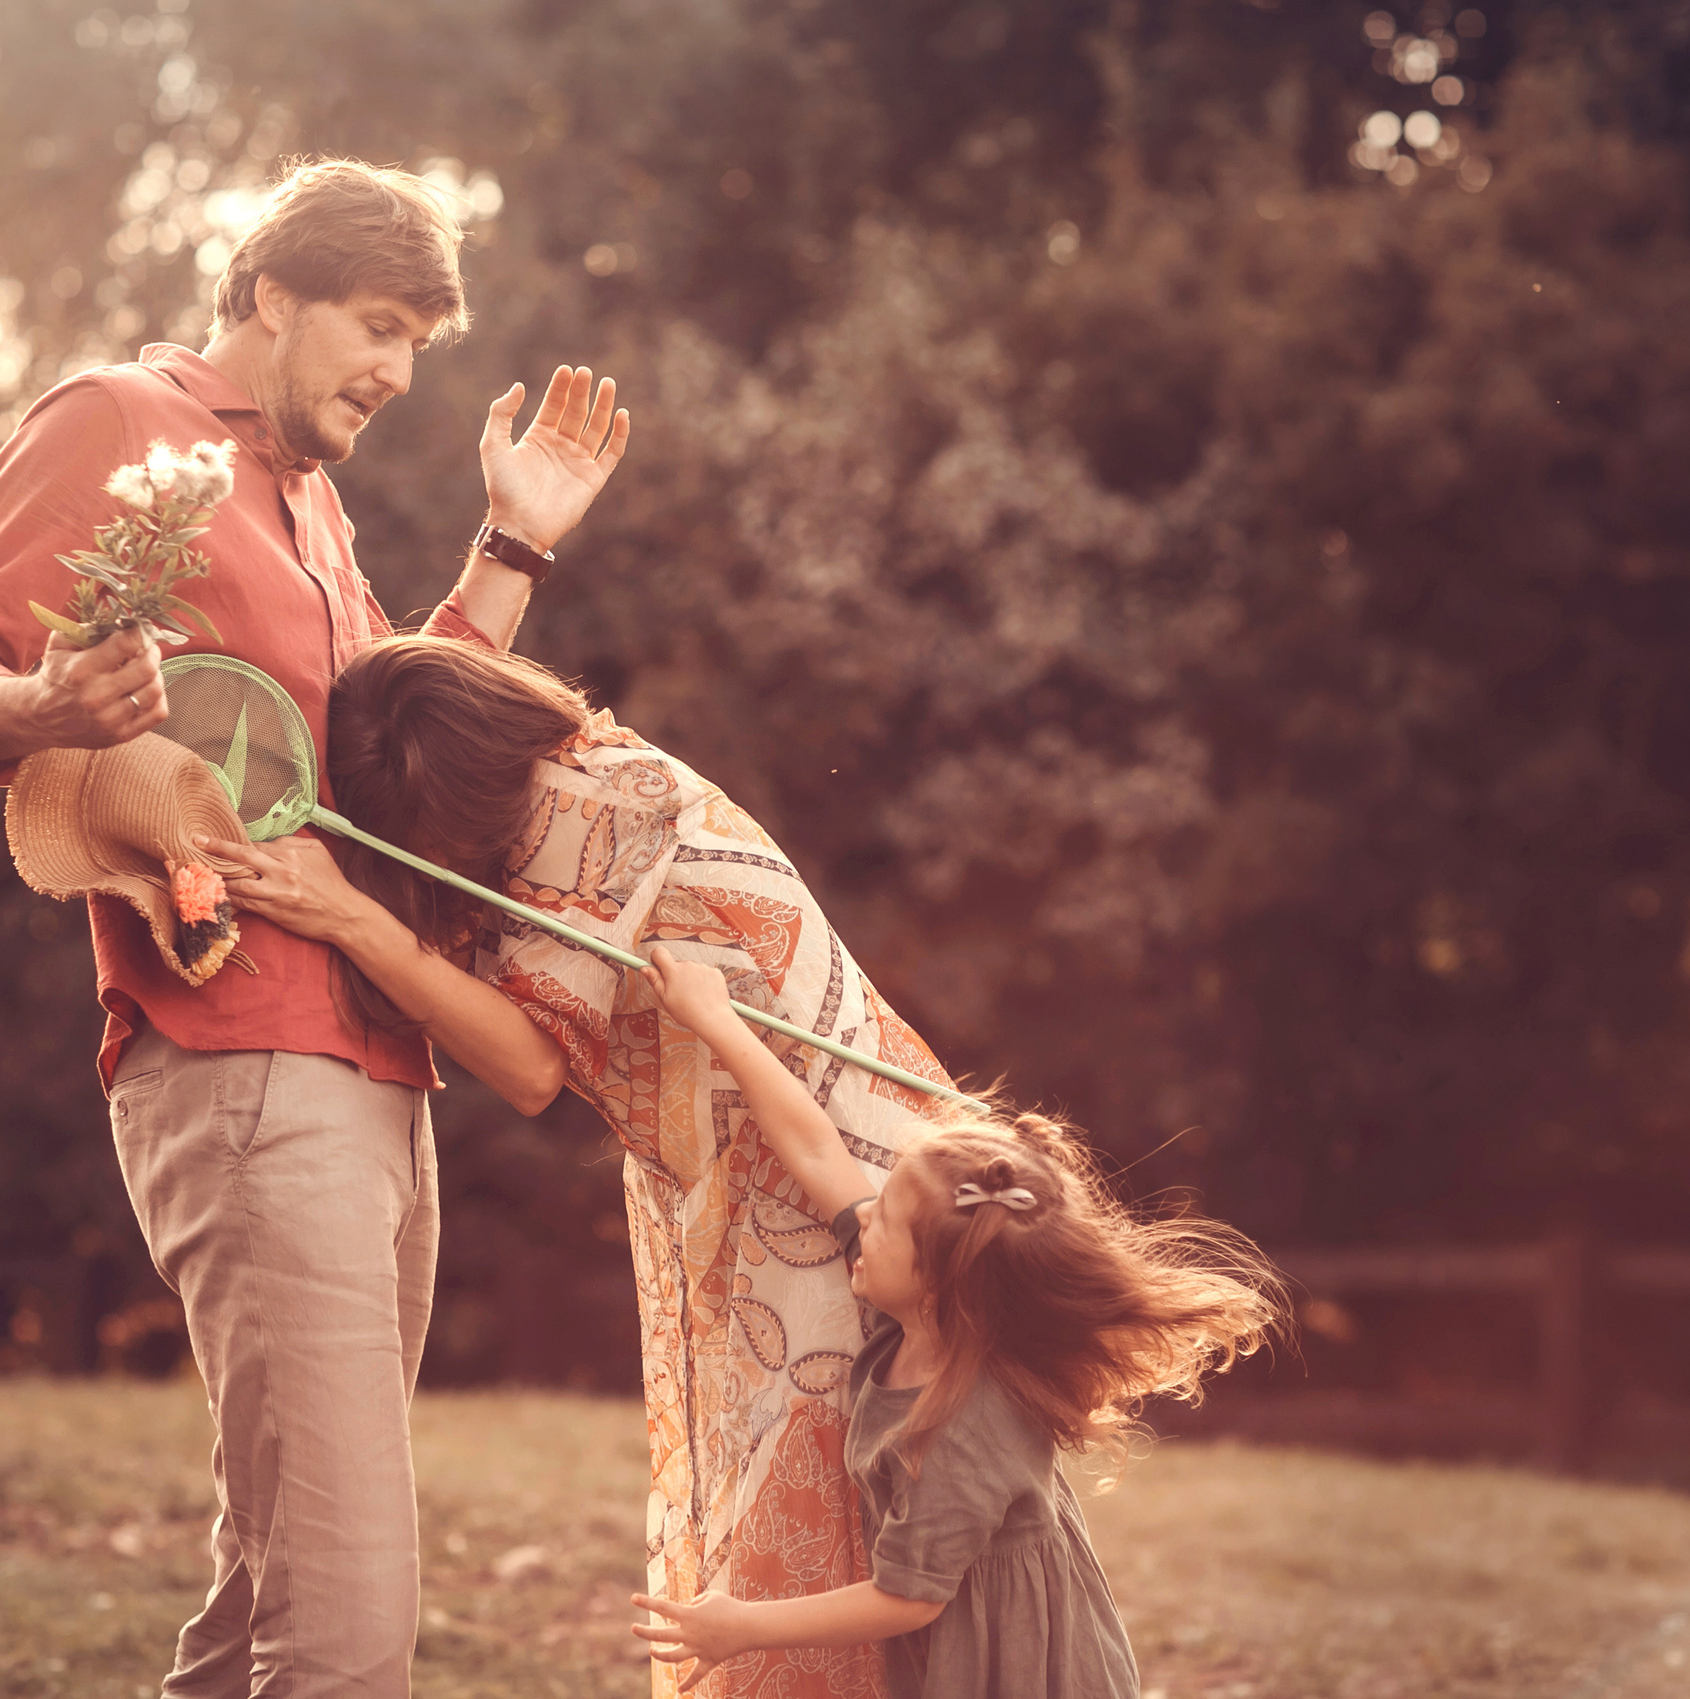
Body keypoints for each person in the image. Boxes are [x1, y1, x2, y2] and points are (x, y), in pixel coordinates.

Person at [0, 158, 628, 1698]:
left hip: (378, 1064)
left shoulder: (316, 509)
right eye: (376, 322)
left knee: (267, 1592)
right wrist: (38, 702)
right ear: (267, 295)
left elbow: (375, 761)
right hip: (245, 1055)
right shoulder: (115, 423)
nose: (398, 371)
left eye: (419, 341)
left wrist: (514, 550)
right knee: (346, 1624)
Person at [203, 636, 1100, 1698]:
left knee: (814, 1492)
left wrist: (349, 914)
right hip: (771, 1163)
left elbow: (531, 1065)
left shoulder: (596, 802)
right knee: (834, 1481)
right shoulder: (559, 768)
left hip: (819, 1181)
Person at [629, 955, 1281, 1697]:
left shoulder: (968, 1418)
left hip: (1027, 1670)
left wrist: (742, 1625)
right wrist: (716, 1019)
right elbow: (816, 1147)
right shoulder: (911, 1307)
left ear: (938, 1284)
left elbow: (910, 1595)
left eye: (887, 1222)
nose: (863, 1216)